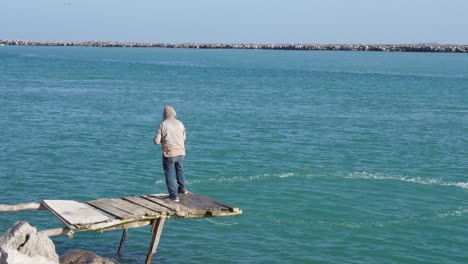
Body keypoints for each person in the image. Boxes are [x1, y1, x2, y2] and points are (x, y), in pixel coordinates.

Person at [154, 105, 188, 202]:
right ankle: (182, 189)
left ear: (164, 114)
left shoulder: (163, 125)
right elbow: (184, 138)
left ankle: (174, 196)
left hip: (169, 153)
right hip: (181, 151)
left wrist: (160, 140)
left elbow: (156, 141)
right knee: (180, 170)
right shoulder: (180, 123)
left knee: (169, 174)